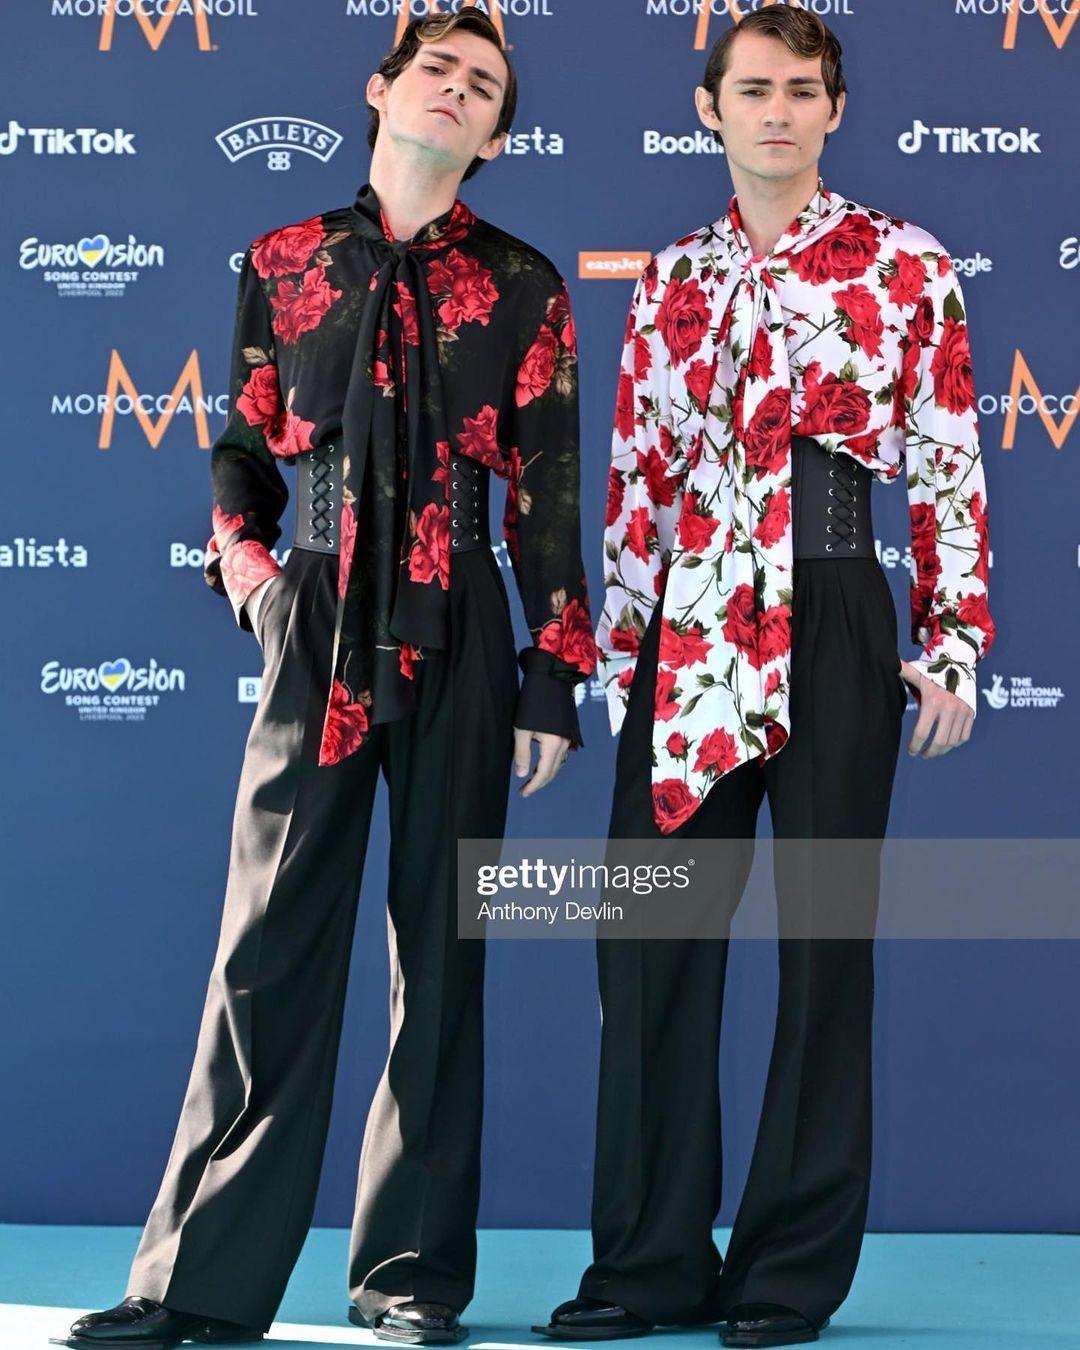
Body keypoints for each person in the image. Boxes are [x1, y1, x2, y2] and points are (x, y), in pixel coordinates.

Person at [57, 12, 596, 1350]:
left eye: (484, 86)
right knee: (265, 952)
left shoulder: (526, 283)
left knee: (443, 959)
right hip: (315, 614)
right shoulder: (282, 259)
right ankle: (192, 1282)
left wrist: (553, 673)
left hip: (463, 623)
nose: (457, 92)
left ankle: (410, 1279)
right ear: (382, 89)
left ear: (497, 133)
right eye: (438, 70)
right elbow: (241, 446)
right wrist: (250, 576)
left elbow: (547, 493)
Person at [535, 9, 994, 1350]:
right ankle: (644, 1267)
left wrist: (953, 637)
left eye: (802, 89)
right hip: (688, 627)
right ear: (710, 108)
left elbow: (951, 458)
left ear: (835, 109)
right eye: (753, 90)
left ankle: (788, 1274)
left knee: (824, 948)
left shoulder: (909, 263)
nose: (777, 111)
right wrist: (621, 657)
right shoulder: (671, 277)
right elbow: (636, 479)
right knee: (651, 946)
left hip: (838, 601)